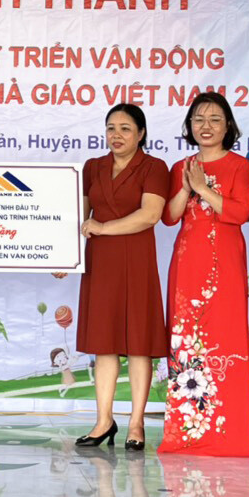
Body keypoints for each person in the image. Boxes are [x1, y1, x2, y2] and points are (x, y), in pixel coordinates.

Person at [157, 93, 249, 456]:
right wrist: (187, 187)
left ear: (228, 126)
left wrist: (203, 189)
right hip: (187, 264)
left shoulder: (239, 166)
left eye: (215, 119)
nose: (206, 126)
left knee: (227, 340)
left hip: (225, 264)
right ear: (189, 126)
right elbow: (170, 217)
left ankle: (232, 435)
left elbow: (241, 213)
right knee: (186, 345)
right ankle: (188, 432)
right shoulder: (180, 167)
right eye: (199, 119)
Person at [74, 103, 168, 451]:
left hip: (137, 261)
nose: (116, 135)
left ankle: (136, 423)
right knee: (105, 345)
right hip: (101, 262)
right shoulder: (93, 166)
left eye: (125, 128)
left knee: (139, 345)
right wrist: (65, 254)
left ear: (141, 134)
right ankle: (103, 421)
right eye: (111, 128)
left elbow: (150, 215)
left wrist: (102, 227)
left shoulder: (154, 167)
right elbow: (79, 214)